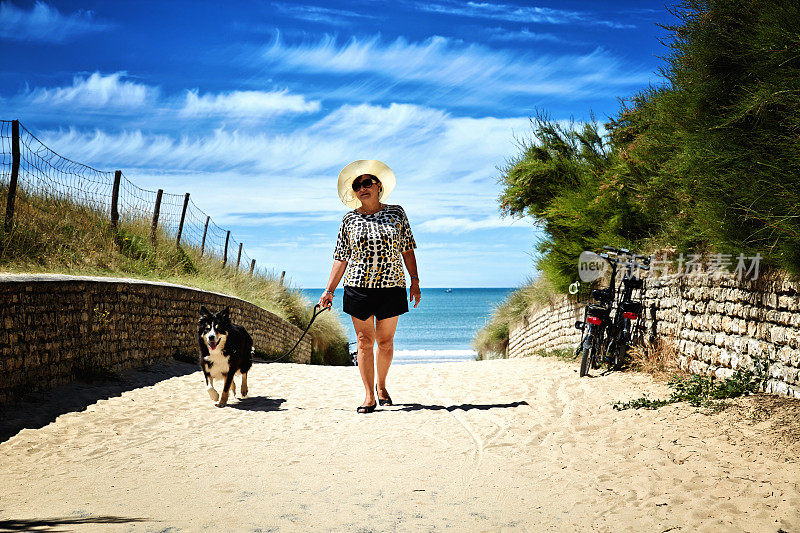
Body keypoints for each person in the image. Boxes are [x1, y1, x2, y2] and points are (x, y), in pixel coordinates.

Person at [318, 160, 421, 413]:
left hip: (392, 286)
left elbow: (408, 249)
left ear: (378, 186)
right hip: (358, 286)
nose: (362, 188)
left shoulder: (397, 213)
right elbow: (341, 256)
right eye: (356, 185)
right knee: (364, 341)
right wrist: (329, 290)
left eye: (366, 183)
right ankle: (368, 396)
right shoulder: (349, 219)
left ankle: (382, 386)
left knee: (385, 342)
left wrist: (415, 281)